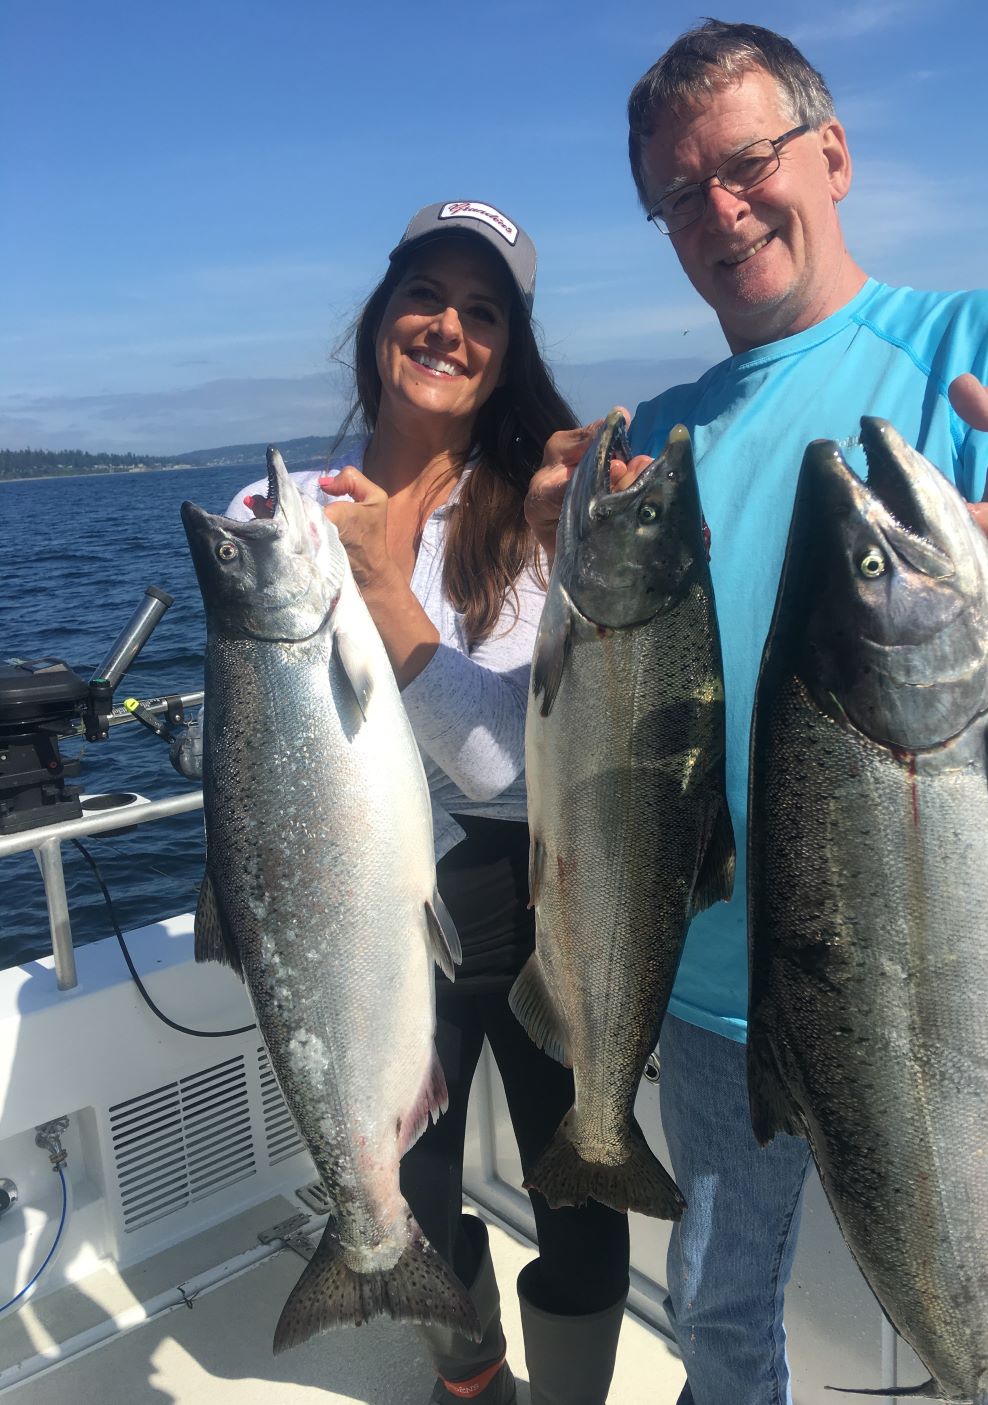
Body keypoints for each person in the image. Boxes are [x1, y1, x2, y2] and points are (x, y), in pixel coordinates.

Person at [524, 21, 988, 1405]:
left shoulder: (982, 348)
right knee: (714, 1310)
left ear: (832, 153)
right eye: (678, 192)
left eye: (747, 162)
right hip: (705, 988)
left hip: (948, 972)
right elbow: (587, 707)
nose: (720, 208)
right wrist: (550, 553)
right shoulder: (664, 436)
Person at [229, 201, 630, 1405]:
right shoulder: (275, 520)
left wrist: (390, 598)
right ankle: (476, 1384)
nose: (447, 326)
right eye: (424, 296)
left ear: (506, 349)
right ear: (379, 319)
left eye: (482, 310)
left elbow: (510, 768)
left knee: (582, 1204)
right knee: (412, 1194)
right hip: (359, 909)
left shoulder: (538, 513)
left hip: (533, 902)